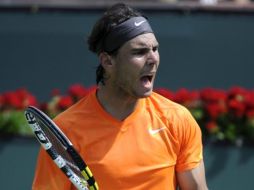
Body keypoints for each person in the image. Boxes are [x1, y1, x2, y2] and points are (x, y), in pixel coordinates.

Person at [32, 3, 208, 190]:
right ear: (108, 61)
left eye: (155, 49)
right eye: (139, 52)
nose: (153, 59)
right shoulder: (65, 131)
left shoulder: (178, 120)